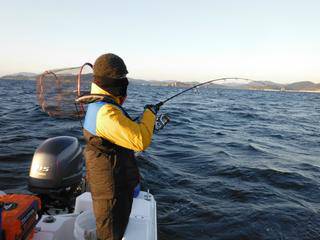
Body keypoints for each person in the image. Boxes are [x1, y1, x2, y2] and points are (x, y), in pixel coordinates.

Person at [82, 53, 159, 240]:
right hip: (110, 190)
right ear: (111, 81)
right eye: (121, 78)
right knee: (110, 235)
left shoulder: (102, 104)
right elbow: (140, 140)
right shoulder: (106, 112)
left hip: (112, 182)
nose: (125, 82)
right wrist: (150, 114)